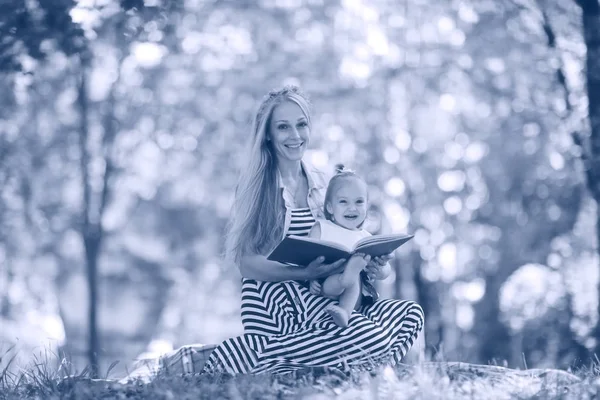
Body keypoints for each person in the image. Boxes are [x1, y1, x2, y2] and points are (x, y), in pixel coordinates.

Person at [146, 85, 424, 377]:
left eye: (301, 124)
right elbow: (247, 264)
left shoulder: (322, 182)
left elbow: (346, 237)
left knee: (410, 313)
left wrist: (370, 260)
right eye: (283, 127)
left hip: (328, 298)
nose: (295, 136)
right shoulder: (258, 186)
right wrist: (305, 274)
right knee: (373, 338)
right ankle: (237, 356)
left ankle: (335, 365)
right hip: (282, 304)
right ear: (268, 134)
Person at [307, 165, 389, 328]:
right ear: (330, 207)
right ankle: (346, 279)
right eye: (343, 202)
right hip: (328, 284)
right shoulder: (321, 228)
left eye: (359, 202)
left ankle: (344, 311)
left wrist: (381, 270)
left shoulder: (366, 238)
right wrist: (311, 280)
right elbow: (308, 258)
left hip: (355, 295)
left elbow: (386, 271)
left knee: (354, 276)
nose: (352, 208)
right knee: (339, 278)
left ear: (366, 206)